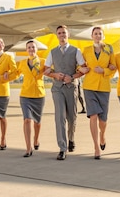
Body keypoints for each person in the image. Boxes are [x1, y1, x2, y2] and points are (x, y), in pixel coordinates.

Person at [44, 25, 88, 160]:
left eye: (64, 33)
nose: (62, 35)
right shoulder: (52, 52)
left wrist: (73, 77)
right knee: (60, 117)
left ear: (68, 35)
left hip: (71, 87)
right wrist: (55, 75)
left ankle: (71, 138)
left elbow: (84, 69)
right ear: (57, 36)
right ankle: (62, 148)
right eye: (59, 33)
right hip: (57, 88)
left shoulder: (76, 51)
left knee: (72, 117)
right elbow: (46, 70)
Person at [80, 26, 116, 159]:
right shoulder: (86, 50)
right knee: (93, 116)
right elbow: (80, 65)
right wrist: (81, 69)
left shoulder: (109, 49)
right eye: (95, 34)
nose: (98, 36)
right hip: (89, 86)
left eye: (100, 34)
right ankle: (96, 147)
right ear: (91, 36)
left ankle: (102, 135)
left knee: (103, 119)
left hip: (104, 87)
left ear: (103, 36)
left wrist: (105, 71)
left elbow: (113, 67)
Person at [16, 40, 46, 157]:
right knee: (27, 120)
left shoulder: (43, 62)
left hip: (38, 94)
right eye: (29, 47)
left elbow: (51, 71)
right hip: (25, 95)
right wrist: (5, 76)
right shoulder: (22, 63)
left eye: (33, 47)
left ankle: (36, 139)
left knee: (37, 122)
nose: (31, 49)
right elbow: (15, 73)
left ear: (37, 49)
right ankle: (28, 147)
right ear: (26, 50)